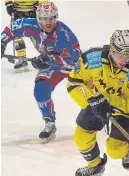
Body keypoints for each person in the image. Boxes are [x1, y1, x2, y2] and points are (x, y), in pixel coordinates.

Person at [67, 29, 129, 176]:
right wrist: (93, 100)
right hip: (100, 101)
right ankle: (96, 166)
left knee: (115, 150)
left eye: (128, 55)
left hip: (127, 112)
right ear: (111, 50)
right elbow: (74, 82)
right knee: (80, 137)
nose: (123, 60)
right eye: (119, 55)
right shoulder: (92, 59)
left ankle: (127, 149)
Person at [1, 1, 82, 142]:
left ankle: (102, 115)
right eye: (44, 18)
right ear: (38, 18)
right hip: (51, 67)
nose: (48, 22)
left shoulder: (65, 35)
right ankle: (50, 123)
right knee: (40, 91)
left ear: (56, 17)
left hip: (74, 67)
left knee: (90, 94)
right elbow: (12, 28)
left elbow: (73, 60)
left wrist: (47, 59)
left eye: (51, 18)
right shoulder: (31, 25)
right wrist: (2, 42)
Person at [4, 0, 44, 71]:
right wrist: (8, 3)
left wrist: (42, 4)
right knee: (17, 35)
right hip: (17, 10)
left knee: (37, 34)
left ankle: (46, 56)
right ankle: (21, 57)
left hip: (34, 10)